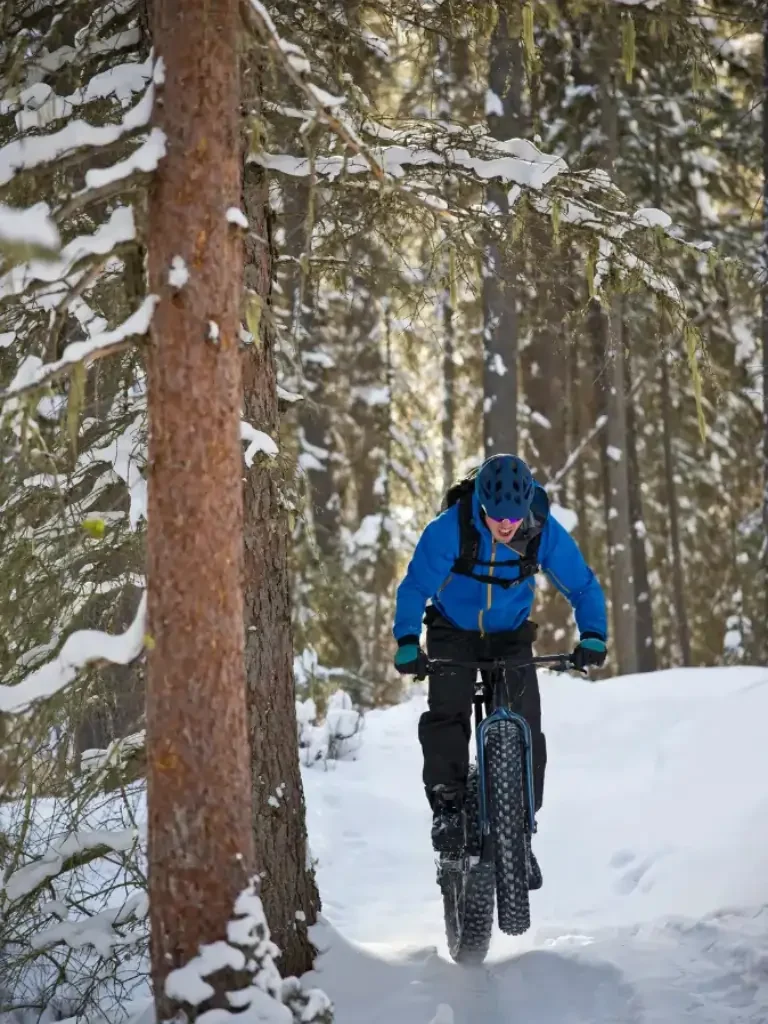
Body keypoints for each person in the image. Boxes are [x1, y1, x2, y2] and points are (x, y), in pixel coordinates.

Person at [391, 453, 608, 877]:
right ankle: (449, 806)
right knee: (448, 711)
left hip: (510, 634)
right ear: (481, 507)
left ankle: (520, 834)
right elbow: (416, 587)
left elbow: (581, 584)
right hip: (453, 630)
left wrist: (593, 634)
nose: (506, 526)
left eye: (514, 518)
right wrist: (406, 641)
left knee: (526, 721)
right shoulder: (449, 529)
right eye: (497, 518)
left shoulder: (541, 530)